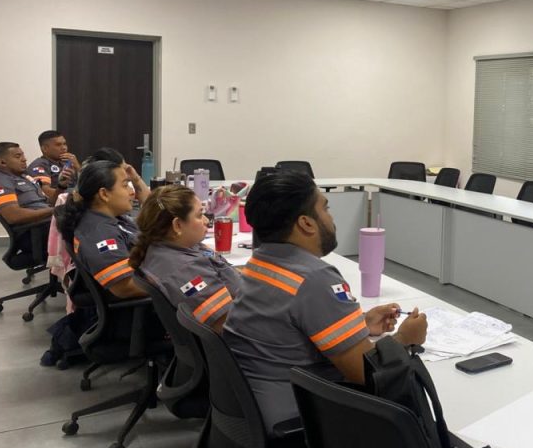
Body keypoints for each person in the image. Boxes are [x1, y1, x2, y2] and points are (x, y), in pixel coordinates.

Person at [223, 170, 428, 433]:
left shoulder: (259, 262)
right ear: (306, 224)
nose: (331, 218)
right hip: (301, 423)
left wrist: (361, 323)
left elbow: (288, 323)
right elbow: (369, 374)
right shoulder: (315, 278)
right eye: (326, 208)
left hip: (254, 410)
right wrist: (404, 339)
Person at [130, 185, 241, 332]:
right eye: (199, 215)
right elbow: (226, 326)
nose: (206, 221)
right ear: (177, 225)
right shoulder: (185, 270)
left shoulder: (168, 248)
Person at [54, 161, 146, 300]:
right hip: (145, 305)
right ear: (104, 194)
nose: (132, 192)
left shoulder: (111, 218)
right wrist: (173, 283)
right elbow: (125, 287)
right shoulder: (99, 234)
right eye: (125, 185)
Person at [0, 142, 56, 252]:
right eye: (18, 156)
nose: (24, 159)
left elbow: (46, 203)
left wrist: (62, 188)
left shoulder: (25, 177)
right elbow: (14, 216)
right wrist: (54, 211)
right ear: (2, 162)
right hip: (35, 233)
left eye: (23, 155)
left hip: (49, 224)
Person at [28, 130, 80, 200]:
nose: (64, 148)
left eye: (64, 144)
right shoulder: (39, 165)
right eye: (58, 145)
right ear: (45, 149)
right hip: (59, 202)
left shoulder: (67, 162)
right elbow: (45, 191)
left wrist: (77, 167)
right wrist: (75, 195)